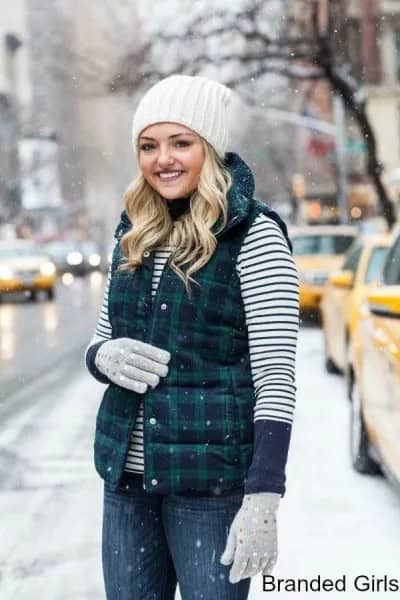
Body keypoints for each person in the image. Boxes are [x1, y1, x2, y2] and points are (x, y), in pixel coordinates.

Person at [85, 74, 299, 600]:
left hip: (210, 489)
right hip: (126, 485)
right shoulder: (133, 232)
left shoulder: (254, 235)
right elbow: (102, 336)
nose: (164, 159)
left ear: (211, 148)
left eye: (181, 142)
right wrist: (101, 356)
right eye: (148, 145)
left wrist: (264, 495)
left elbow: (276, 375)